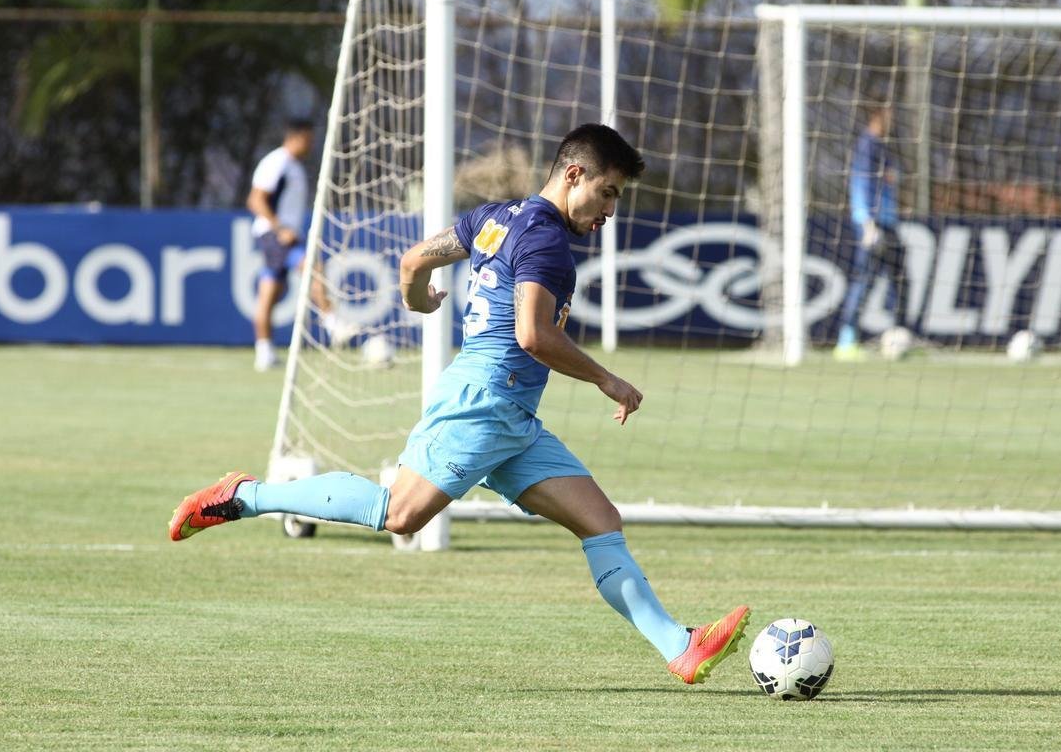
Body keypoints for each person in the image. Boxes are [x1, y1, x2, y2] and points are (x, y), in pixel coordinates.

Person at [170, 123, 750, 685]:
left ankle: (681, 647)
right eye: (608, 193)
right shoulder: (547, 238)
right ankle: (243, 497)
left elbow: (413, 262)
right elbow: (533, 335)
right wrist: (607, 379)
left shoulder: (494, 217)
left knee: (601, 522)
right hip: (483, 402)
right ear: (574, 174)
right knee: (399, 515)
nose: (610, 211)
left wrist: (419, 302)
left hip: (512, 417)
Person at [246, 117, 338, 371]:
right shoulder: (277, 162)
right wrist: (280, 228)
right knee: (313, 268)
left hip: (282, 235)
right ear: (296, 137)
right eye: (308, 140)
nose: (310, 145)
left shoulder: (294, 166)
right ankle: (333, 324)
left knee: (270, 292)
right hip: (274, 235)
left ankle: (263, 351)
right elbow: (255, 200)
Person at [834, 99, 909, 360]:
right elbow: (858, 185)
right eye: (889, 113)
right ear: (877, 114)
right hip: (873, 225)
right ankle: (846, 340)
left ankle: (900, 336)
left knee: (899, 281)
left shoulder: (884, 147)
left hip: (888, 223)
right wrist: (866, 223)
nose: (893, 119)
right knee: (864, 280)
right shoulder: (867, 146)